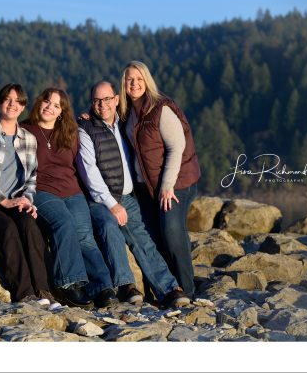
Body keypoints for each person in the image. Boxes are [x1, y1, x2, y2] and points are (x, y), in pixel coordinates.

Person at [76, 81, 190, 308]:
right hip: (100, 199)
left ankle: (169, 289)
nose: (103, 105)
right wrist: (111, 204)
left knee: (143, 240)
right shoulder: (85, 129)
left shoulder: (126, 122)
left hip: (128, 197)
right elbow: (89, 173)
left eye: (107, 99)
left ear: (117, 100)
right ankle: (126, 286)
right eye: (97, 100)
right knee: (110, 228)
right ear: (92, 103)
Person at [0, 83, 59, 308]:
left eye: (18, 101)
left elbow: (32, 177)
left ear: (23, 106)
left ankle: (44, 291)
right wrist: (3, 199)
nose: (12, 104)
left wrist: (27, 200)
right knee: (8, 229)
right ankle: (24, 294)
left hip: (13, 201)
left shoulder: (28, 139)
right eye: (8, 99)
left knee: (29, 225)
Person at [21, 88, 118, 309]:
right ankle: (68, 285)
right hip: (41, 190)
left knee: (84, 235)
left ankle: (102, 287)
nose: (50, 107)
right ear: (39, 103)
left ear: (62, 112)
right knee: (63, 223)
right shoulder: (25, 129)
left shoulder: (70, 131)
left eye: (56, 105)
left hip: (72, 192)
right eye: (47, 101)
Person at [119, 61, 200, 299]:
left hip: (176, 183)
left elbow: (177, 147)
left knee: (171, 230)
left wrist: (167, 186)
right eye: (129, 79)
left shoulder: (160, 108)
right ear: (123, 83)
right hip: (145, 187)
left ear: (147, 81)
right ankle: (168, 289)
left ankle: (188, 289)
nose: (134, 84)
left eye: (139, 79)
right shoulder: (126, 113)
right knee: (152, 233)